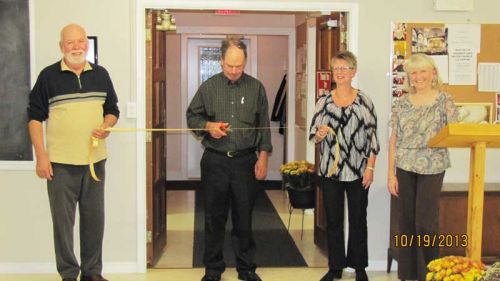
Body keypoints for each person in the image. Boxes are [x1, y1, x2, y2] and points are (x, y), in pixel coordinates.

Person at [27, 24, 119, 281]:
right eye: (70, 42)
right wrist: (41, 156)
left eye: (80, 41)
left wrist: (107, 125)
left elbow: (113, 110)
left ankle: (92, 274)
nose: (77, 46)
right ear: (61, 47)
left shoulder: (101, 74)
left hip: (94, 163)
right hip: (60, 165)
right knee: (63, 225)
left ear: (86, 44)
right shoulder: (48, 77)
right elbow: (34, 118)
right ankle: (68, 274)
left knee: (94, 222)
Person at [186, 38, 272, 281]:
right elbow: (192, 117)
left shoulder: (256, 88)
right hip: (215, 161)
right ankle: (213, 270)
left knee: (243, 218)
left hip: (246, 162)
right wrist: (208, 126)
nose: (234, 71)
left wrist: (263, 158)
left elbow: (263, 125)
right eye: (229, 66)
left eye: (239, 66)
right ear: (221, 61)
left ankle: (246, 269)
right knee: (214, 217)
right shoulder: (208, 87)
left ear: (245, 62)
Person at [309, 51, 380, 281]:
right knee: (333, 221)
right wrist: (319, 135)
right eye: (336, 69)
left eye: (345, 68)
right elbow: (314, 135)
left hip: (359, 172)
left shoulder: (365, 100)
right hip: (331, 171)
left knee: (359, 219)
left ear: (353, 72)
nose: (340, 73)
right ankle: (335, 267)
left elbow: (373, 139)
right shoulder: (323, 101)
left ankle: (359, 267)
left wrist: (370, 168)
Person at [387, 53, 457, 281]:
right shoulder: (401, 103)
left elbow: (454, 131)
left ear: (433, 73)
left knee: (426, 223)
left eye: (423, 71)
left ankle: (429, 273)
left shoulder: (444, 100)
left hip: (433, 166)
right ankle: (408, 275)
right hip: (405, 166)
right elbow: (393, 139)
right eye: (413, 73)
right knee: (406, 222)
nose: (418, 77)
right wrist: (390, 173)